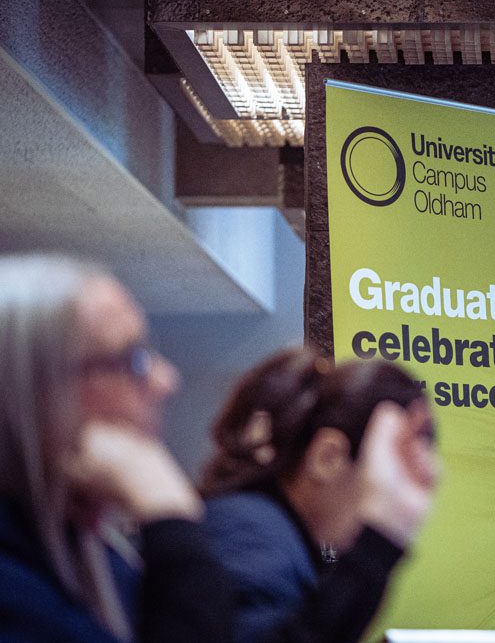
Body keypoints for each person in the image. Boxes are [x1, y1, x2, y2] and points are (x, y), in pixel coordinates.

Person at [0, 253, 235, 642]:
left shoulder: (89, 552)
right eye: (133, 360)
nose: (165, 380)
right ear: (34, 390)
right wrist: (169, 515)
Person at [199, 349, 439, 643]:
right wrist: (378, 542)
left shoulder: (268, 533)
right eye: (392, 472)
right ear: (328, 457)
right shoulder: (252, 536)